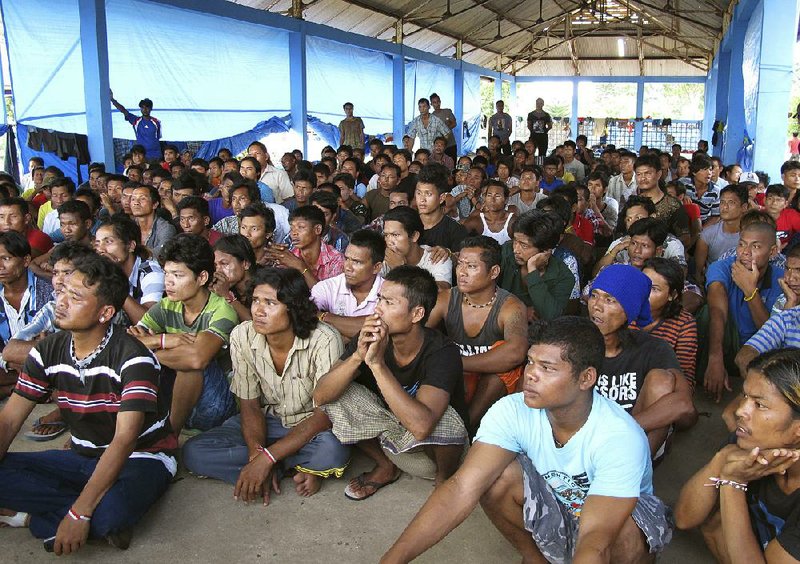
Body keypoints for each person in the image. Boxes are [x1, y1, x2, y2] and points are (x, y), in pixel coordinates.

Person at [381, 316, 672, 563]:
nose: (531, 374)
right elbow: (460, 490)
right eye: (531, 362)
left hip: (612, 522)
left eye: (547, 368)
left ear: (586, 378)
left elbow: (597, 539)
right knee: (494, 478)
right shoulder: (513, 409)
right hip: (561, 504)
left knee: (621, 536)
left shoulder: (619, 436)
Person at [0, 253, 176, 554]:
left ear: (105, 312)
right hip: (83, 455)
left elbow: (124, 441)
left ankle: (38, 518)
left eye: (76, 297)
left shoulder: (134, 358)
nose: (62, 302)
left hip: (141, 457)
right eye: (63, 292)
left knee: (111, 511)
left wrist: (79, 513)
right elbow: (9, 420)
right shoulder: (47, 350)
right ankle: (77, 510)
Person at [182, 267, 350, 501]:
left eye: (270, 303)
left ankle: (273, 466)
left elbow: (325, 414)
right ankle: (289, 468)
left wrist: (268, 458)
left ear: (292, 308)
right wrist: (256, 455)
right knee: (194, 453)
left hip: (311, 426)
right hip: (267, 422)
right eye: (255, 301)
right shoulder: (242, 335)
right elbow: (249, 404)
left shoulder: (325, 339)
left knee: (333, 450)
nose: (258, 311)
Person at [314, 265, 468, 499]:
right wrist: (357, 357)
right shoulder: (371, 334)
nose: (377, 309)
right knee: (339, 392)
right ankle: (386, 465)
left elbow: (421, 427)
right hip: (391, 438)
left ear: (417, 314)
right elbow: (320, 396)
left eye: (388, 302)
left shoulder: (442, 352)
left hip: (429, 455)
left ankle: (445, 482)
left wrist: (377, 365)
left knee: (445, 419)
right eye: (379, 299)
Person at [675, 348, 800, 562]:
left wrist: (733, 481)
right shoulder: (748, 441)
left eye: (759, 404)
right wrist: (722, 459)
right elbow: (684, 518)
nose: (740, 410)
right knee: (715, 522)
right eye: (744, 396)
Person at [130, 234, 239, 433]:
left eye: (178, 275)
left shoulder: (221, 310)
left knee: (191, 364)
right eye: (166, 274)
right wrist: (164, 339)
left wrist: (150, 346)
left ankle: (170, 435)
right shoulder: (166, 305)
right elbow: (127, 344)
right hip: (175, 401)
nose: (168, 282)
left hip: (215, 405)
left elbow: (198, 359)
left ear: (202, 277)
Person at [588, 264, 696, 457]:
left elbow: (683, 404)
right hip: (585, 436)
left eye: (610, 300)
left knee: (662, 380)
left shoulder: (653, 348)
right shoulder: (577, 341)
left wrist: (622, 430)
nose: (596, 306)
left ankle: (638, 474)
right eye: (594, 295)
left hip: (635, 440)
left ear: (629, 310)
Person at [426, 236, 527, 435]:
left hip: (489, 391)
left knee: (506, 366)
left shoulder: (511, 307)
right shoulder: (446, 298)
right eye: (460, 264)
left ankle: (465, 429)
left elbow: (516, 352)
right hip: (454, 382)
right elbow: (417, 332)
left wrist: (457, 362)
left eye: (471, 266)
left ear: (494, 272)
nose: (461, 272)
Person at [700, 222, 785, 402]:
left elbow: (771, 333)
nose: (745, 252)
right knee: (707, 313)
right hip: (725, 344)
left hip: (759, 351)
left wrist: (749, 290)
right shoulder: (722, 267)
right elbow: (717, 310)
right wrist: (715, 357)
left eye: (755, 246)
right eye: (741, 244)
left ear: (772, 253)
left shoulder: (781, 279)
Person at [734, 245, 800, 376]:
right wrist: (790, 303)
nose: (791, 278)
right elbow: (744, 357)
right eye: (788, 269)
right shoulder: (784, 300)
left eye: (799, 270)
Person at [498, 209, 573, 321]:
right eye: (515, 241)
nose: (515, 250)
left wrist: (532, 270)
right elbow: (484, 294)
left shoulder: (563, 276)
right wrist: (520, 310)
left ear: (545, 250)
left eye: (524, 245)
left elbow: (552, 316)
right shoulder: (506, 251)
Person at [311, 229, 385, 341]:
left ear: (376, 267)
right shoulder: (328, 287)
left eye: (357, 262)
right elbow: (306, 315)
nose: (348, 267)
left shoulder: (389, 293)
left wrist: (324, 316)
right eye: (346, 259)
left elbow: (378, 327)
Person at [641, 257, 699, 389]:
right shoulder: (624, 313)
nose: (644, 293)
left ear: (672, 295)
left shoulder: (684, 324)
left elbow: (684, 378)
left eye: (654, 289)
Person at [264, 205, 344, 287]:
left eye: (301, 227)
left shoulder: (336, 260)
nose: (294, 233)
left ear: (317, 229)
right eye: (292, 228)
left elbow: (327, 299)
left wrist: (300, 266)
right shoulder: (288, 257)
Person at [381, 206, 452, 290]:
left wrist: (401, 270)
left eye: (395, 235)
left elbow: (442, 291)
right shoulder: (385, 259)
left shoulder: (436, 257)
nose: (389, 242)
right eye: (386, 235)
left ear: (414, 236)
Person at [695, 184, 749, 285]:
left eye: (731, 202)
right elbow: (698, 271)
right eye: (722, 202)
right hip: (714, 282)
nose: (724, 207)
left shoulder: (751, 236)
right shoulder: (708, 234)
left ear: (744, 207)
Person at [415, 164, 468, 251]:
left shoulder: (456, 231)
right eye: (419, 193)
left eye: (428, 194)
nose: (422, 199)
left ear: (442, 198)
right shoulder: (407, 225)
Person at [209, 234, 257, 322]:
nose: (218, 270)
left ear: (245, 264)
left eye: (224, 263)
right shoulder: (222, 288)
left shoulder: (263, 285)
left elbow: (254, 324)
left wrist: (227, 296)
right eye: (215, 265)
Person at [110, 91, 162, 160]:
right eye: (142, 107)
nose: (145, 110)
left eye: (147, 107)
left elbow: (158, 137)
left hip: (156, 155)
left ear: (151, 108)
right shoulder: (136, 120)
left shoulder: (157, 122)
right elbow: (124, 111)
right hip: (142, 155)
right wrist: (112, 99)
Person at [461, 180, 515, 245]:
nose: (492, 200)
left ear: (506, 200)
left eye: (497, 196)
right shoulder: (476, 221)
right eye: (489, 195)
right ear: (485, 198)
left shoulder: (513, 221)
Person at [129, 185, 176, 258]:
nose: (136, 203)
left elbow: (161, 254)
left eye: (142, 199)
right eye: (133, 199)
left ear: (155, 204)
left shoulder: (166, 228)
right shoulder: (127, 227)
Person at [430, 93, 457, 160]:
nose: (437, 104)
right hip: (439, 146)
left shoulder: (447, 111)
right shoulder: (431, 117)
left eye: (438, 101)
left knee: (452, 163)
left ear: (440, 101)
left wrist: (445, 130)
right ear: (431, 104)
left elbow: (454, 123)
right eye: (434, 102)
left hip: (450, 144)